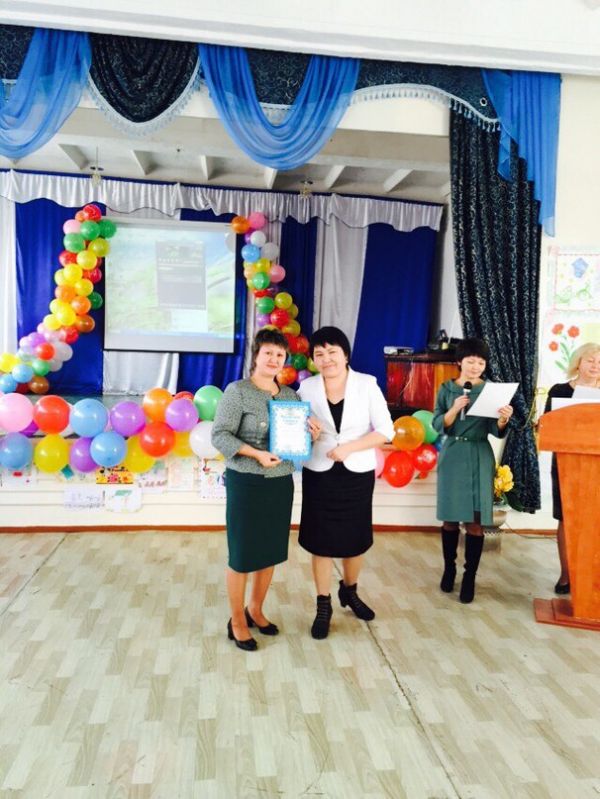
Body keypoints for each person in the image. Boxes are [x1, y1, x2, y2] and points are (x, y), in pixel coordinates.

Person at [212, 329, 312, 651]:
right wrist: (256, 454)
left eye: (280, 355)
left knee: (269, 550)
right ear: (256, 355)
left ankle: (255, 609)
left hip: (280, 482)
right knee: (242, 555)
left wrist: (311, 433)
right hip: (246, 481)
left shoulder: (291, 396)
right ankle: (236, 621)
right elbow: (220, 435)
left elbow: (296, 441)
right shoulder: (238, 391)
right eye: (268, 352)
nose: (274, 359)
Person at [297, 326, 394, 639]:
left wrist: (349, 448)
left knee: (356, 538)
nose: (326, 359)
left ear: (346, 355)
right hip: (319, 471)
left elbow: (386, 430)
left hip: (357, 472)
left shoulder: (367, 384)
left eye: (332, 352)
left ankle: (350, 591)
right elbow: (295, 431)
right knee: (320, 540)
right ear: (313, 359)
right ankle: (323, 604)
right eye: (319, 354)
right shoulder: (306, 388)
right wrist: (309, 434)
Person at [432, 337, 514, 604]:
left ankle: (470, 577)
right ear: (459, 362)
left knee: (476, 521)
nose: (475, 366)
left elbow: (495, 431)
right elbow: (437, 423)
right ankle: (449, 569)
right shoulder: (446, 389)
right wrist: (454, 409)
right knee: (450, 518)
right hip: (453, 454)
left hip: (480, 453)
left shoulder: (491, 391)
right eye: (470, 361)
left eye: (481, 362)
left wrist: (502, 420)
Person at [543, 342, 600, 594]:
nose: (596, 366)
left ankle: (591, 577)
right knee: (567, 518)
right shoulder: (560, 391)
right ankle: (567, 576)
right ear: (578, 362)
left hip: (596, 463)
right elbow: (547, 425)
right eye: (591, 360)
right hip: (566, 464)